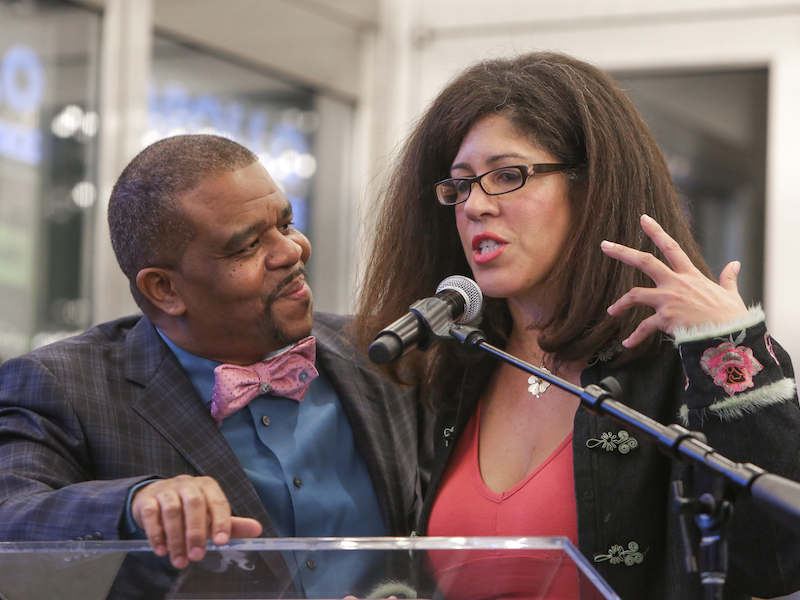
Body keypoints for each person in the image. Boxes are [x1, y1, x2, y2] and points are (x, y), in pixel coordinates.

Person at [354, 51, 800, 600]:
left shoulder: (688, 361)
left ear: (593, 188)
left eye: (507, 176)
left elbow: (776, 564)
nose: (475, 206)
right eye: (461, 185)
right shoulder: (450, 361)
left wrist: (730, 345)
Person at [0, 134, 431, 598]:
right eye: (246, 246)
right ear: (164, 288)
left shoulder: (382, 352)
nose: (292, 251)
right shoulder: (65, 387)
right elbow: (11, 519)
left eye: (285, 225)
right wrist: (134, 504)